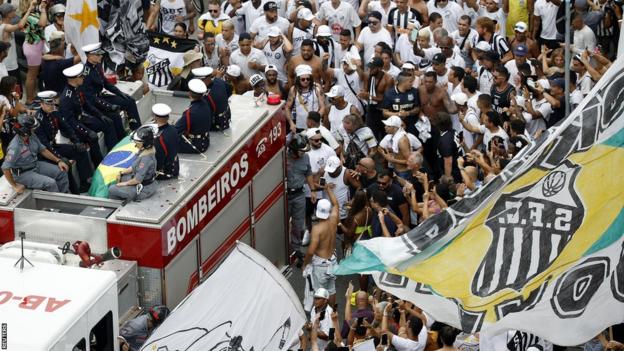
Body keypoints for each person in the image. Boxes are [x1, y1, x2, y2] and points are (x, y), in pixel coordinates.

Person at [34, 91, 91, 194]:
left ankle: (85, 182)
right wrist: (59, 158)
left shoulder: (54, 113)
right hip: (45, 153)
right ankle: (74, 192)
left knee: (81, 150)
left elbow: (66, 127)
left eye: (52, 103)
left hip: (53, 146)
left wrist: (76, 141)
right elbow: (44, 144)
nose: (51, 106)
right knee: (65, 165)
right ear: (41, 104)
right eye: (48, 104)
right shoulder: (39, 120)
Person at [59, 63, 113, 167]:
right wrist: (87, 131)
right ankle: (99, 165)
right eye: (81, 76)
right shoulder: (66, 98)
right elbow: (70, 122)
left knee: (107, 123)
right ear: (75, 79)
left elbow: (86, 105)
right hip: (71, 127)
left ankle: (113, 152)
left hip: (80, 120)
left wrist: (101, 115)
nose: (84, 77)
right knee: (92, 137)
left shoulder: (77, 89)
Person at [2, 113, 70, 194]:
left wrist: (58, 161)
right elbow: (5, 168)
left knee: (62, 172)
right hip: (23, 174)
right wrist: (15, 186)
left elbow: (43, 150)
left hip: (35, 165)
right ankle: (58, 205)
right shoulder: (15, 147)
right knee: (50, 183)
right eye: (32, 128)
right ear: (25, 131)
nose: (34, 130)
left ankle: (64, 197)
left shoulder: (32, 136)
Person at [81, 43, 141, 131]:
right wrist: (109, 106)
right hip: (94, 103)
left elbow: (106, 83)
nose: (101, 56)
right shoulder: (85, 73)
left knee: (129, 101)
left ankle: (136, 129)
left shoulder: (97, 66)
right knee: (115, 115)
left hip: (101, 97)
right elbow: (90, 98)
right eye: (98, 55)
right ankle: (121, 138)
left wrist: (120, 93)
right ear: (90, 56)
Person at [302, 182, 339, 306]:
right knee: (331, 289)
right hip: (332, 260)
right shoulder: (334, 219)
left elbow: (311, 251)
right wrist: (328, 189)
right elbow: (336, 204)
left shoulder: (317, 229)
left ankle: (321, 317)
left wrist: (305, 264)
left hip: (321, 265)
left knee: (319, 292)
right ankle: (332, 312)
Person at [108, 126, 158, 202]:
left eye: (137, 143)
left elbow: (137, 180)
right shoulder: (145, 150)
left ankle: (119, 204)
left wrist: (124, 184)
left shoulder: (145, 159)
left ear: (144, 143)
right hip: (142, 182)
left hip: (143, 189)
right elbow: (134, 166)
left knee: (112, 189)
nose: (135, 145)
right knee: (119, 178)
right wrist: (122, 172)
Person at [287, 134, 316, 261]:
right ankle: (284, 248)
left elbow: (308, 173)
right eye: (301, 151)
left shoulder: (306, 157)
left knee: (298, 225)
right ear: (293, 149)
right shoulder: (283, 157)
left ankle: (296, 250)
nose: (303, 153)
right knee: (283, 224)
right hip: (285, 196)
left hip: (299, 195)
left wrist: (313, 190)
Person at [20, 0, 48, 105]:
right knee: (32, 75)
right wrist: (44, 9)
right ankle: (29, 99)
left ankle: (31, 96)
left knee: (32, 74)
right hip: (33, 48)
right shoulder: (31, 15)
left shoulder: (29, 14)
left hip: (32, 46)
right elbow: (42, 23)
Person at [285, 64, 326, 133]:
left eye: (308, 79)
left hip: (315, 126)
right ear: (298, 79)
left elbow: (322, 107)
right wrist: (291, 123)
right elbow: (287, 108)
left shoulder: (317, 88)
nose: (305, 81)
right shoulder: (294, 90)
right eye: (303, 79)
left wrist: (315, 120)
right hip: (300, 126)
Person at [361, 57, 395, 139]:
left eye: (372, 68)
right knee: (370, 135)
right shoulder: (367, 75)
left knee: (385, 136)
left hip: (383, 111)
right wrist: (362, 94)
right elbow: (365, 91)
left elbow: (386, 100)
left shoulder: (388, 79)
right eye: (369, 67)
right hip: (371, 109)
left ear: (379, 68)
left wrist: (369, 96)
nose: (370, 70)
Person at [176, 79, 212, 153]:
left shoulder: (190, 113)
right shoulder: (205, 103)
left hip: (195, 145)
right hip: (205, 140)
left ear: (189, 93)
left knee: (168, 143)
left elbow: (176, 130)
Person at [192, 66, 232, 131]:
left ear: (204, 79)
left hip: (215, 126)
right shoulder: (219, 81)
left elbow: (203, 114)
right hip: (226, 119)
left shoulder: (205, 96)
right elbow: (230, 89)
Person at [152, 103, 179, 180]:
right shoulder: (174, 129)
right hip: (174, 167)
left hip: (163, 172)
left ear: (155, 117)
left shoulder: (158, 138)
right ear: (168, 117)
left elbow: (158, 158)